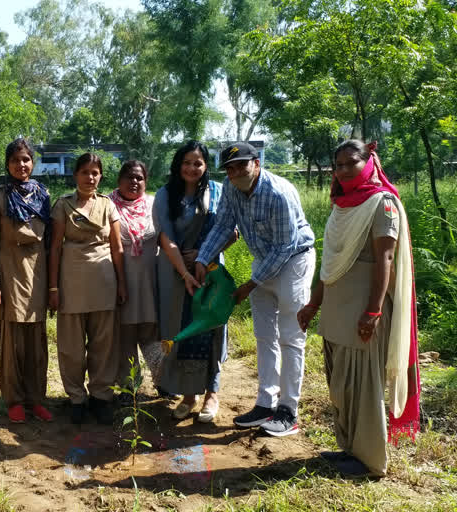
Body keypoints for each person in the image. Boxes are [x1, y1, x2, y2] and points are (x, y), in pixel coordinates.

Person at [297, 140, 420, 476]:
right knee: (341, 385)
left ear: (369, 161)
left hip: (363, 310)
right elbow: (331, 263)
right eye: (336, 165)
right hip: (337, 309)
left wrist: (374, 311)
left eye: (349, 163)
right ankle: (349, 448)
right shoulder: (343, 205)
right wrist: (313, 303)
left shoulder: (383, 203)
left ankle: (370, 460)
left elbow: (386, 258)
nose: (341, 171)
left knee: (363, 386)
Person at [195, 142, 315, 437]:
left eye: (242, 165)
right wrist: (202, 258)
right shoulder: (231, 188)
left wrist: (249, 285)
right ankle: (265, 404)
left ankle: (288, 411)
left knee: (290, 336)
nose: (236, 172)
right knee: (264, 335)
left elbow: (284, 247)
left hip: (294, 260)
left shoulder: (278, 193)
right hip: (264, 262)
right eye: (230, 168)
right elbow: (223, 226)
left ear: (257, 164)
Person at [153, 141, 232, 423]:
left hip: (210, 273)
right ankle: (188, 394)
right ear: (178, 165)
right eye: (186, 162)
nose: (192, 168)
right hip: (176, 275)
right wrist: (185, 271)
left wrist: (203, 254)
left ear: (206, 166)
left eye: (197, 163)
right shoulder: (165, 195)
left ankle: (212, 393)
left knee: (212, 328)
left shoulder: (220, 192)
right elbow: (165, 238)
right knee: (184, 329)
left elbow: (231, 232)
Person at [48, 153, 127, 424]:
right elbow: (55, 247)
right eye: (84, 172)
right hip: (71, 282)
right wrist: (53, 287)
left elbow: (117, 247)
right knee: (70, 345)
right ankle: (76, 399)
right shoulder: (63, 205)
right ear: (75, 176)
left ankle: (101, 396)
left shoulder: (108, 205)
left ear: (101, 176)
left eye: (95, 173)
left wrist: (122, 283)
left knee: (103, 343)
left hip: (104, 281)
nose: (90, 177)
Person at [0, 138, 52, 423]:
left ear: (32, 162)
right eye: (15, 160)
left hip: (38, 272)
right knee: (12, 342)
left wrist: (52, 285)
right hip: (10, 272)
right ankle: (14, 400)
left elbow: (49, 242)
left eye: (25, 159)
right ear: (7, 164)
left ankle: (36, 399)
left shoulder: (43, 195)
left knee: (36, 341)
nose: (21, 165)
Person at [109, 160, 164, 394]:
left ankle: (163, 382)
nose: (134, 182)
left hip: (152, 282)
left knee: (152, 335)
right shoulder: (107, 205)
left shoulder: (155, 205)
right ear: (119, 180)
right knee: (125, 337)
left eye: (139, 178)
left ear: (146, 182)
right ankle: (131, 388)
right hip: (121, 281)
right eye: (129, 177)